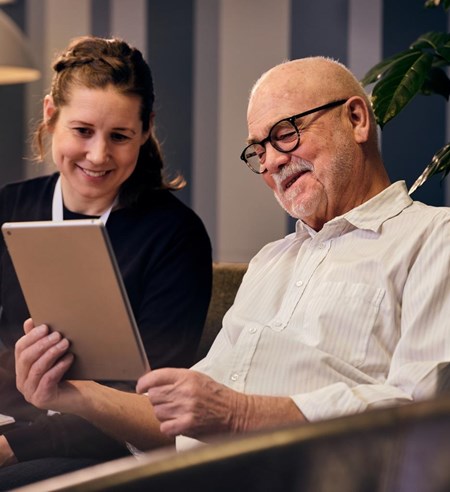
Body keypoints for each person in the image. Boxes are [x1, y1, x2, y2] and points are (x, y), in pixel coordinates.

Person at [13, 56, 450, 466]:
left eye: (285, 134)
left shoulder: (434, 238)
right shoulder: (270, 263)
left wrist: (239, 414)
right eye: (258, 151)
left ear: (355, 119)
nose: (273, 162)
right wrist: (74, 395)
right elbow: (181, 428)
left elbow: (426, 413)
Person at [0, 35, 212, 486]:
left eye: (119, 136)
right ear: (50, 115)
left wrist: (15, 445)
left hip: (108, 444)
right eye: (82, 131)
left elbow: (156, 411)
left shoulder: (175, 235)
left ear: (147, 128)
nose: (98, 155)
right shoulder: (8, 208)